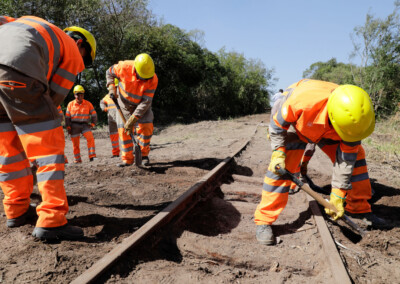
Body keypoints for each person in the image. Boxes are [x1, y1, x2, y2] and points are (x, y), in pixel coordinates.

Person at [254, 79, 387, 245]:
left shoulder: (355, 120)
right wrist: (278, 152)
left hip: (330, 131)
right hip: (298, 126)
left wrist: (337, 195)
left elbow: (346, 162)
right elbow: (276, 126)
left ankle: (359, 209)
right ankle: (264, 220)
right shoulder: (299, 103)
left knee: (356, 160)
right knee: (281, 168)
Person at [0, 15, 96, 241]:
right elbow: (53, 99)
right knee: (48, 149)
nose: (81, 65)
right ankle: (52, 220)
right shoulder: (71, 49)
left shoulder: (32, 25)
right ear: (80, 43)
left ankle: (16, 210)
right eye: (86, 60)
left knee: (8, 149)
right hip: (19, 69)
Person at [105, 53, 158, 167]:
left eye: (147, 78)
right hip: (124, 104)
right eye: (142, 77)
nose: (145, 80)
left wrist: (133, 119)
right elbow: (109, 72)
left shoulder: (153, 79)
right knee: (123, 131)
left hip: (142, 106)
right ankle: (127, 160)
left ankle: (144, 156)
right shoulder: (124, 67)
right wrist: (111, 87)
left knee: (146, 127)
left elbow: (146, 102)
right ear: (136, 70)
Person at [65, 85, 98, 163]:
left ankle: (92, 156)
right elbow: (67, 117)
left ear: (83, 94)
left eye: (81, 94)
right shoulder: (70, 104)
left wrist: (93, 124)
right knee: (75, 143)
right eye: (78, 94)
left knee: (90, 138)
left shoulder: (88, 103)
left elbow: (94, 114)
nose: (79, 96)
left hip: (85, 125)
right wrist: (68, 127)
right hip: (74, 126)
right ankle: (77, 159)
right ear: (74, 95)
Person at [100, 90, 120, 158]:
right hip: (111, 119)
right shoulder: (107, 96)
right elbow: (102, 102)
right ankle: (115, 153)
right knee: (113, 136)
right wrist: (104, 108)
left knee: (124, 134)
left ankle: (127, 152)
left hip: (120, 118)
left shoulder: (120, 94)